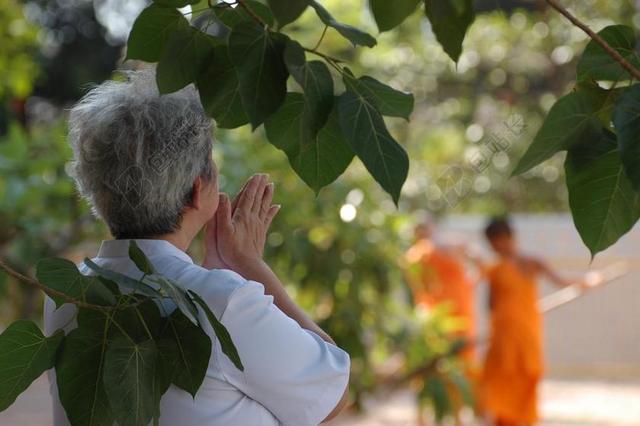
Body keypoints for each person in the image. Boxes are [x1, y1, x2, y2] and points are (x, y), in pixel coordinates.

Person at [43, 70, 350, 426]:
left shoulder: (65, 295)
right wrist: (250, 267)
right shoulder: (220, 302)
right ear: (196, 189)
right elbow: (332, 394)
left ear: (98, 191)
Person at [479, 217, 575, 426]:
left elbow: (563, 281)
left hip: (526, 333)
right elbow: (491, 305)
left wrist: (587, 281)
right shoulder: (495, 270)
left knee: (526, 377)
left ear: (507, 237)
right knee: (499, 384)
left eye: (496, 241)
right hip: (502, 336)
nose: (494, 247)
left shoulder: (531, 263)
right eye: (491, 243)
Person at [404, 216, 477, 363]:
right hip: (445, 311)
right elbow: (481, 263)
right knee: (455, 355)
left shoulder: (415, 255)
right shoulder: (423, 252)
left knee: (443, 355)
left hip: (443, 311)